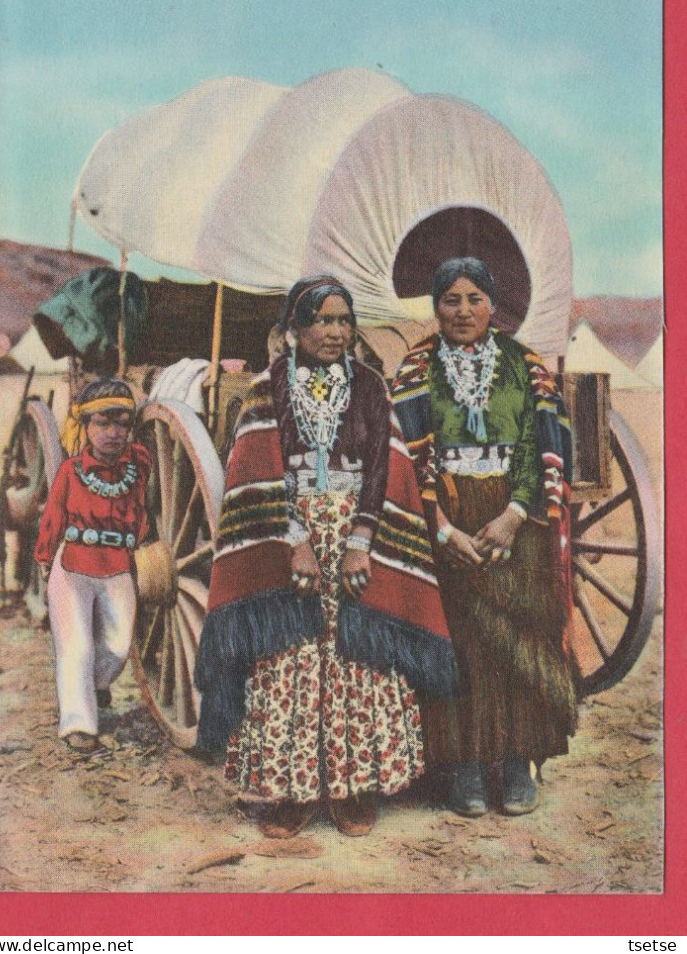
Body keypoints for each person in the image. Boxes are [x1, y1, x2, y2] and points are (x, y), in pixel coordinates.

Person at [194, 276, 457, 838]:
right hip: (286, 539)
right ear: (293, 329)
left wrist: (362, 539)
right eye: (322, 320)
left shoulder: (367, 386)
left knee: (357, 659)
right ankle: (288, 794)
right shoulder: (268, 391)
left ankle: (351, 787)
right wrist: (295, 539)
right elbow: (256, 469)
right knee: (289, 659)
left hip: (357, 537)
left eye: (344, 320)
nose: (336, 332)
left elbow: (385, 468)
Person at [391, 258, 577, 817]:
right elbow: (406, 456)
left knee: (523, 635)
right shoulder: (415, 369)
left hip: (513, 516)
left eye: (475, 299)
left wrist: (516, 513)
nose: (464, 311)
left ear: (493, 305)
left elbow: (542, 442)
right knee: (460, 640)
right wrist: (442, 528)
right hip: (446, 517)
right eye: (451, 300)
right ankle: (464, 766)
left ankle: (518, 762)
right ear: (435, 307)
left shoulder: (526, 365)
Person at [34, 379, 151, 754]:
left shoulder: (139, 464)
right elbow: (52, 518)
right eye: (103, 423)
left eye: (122, 424)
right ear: (83, 426)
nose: (113, 433)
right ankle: (79, 724)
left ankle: (97, 684)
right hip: (72, 567)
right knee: (76, 646)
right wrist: (42, 558)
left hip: (118, 566)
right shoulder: (70, 471)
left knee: (117, 645)